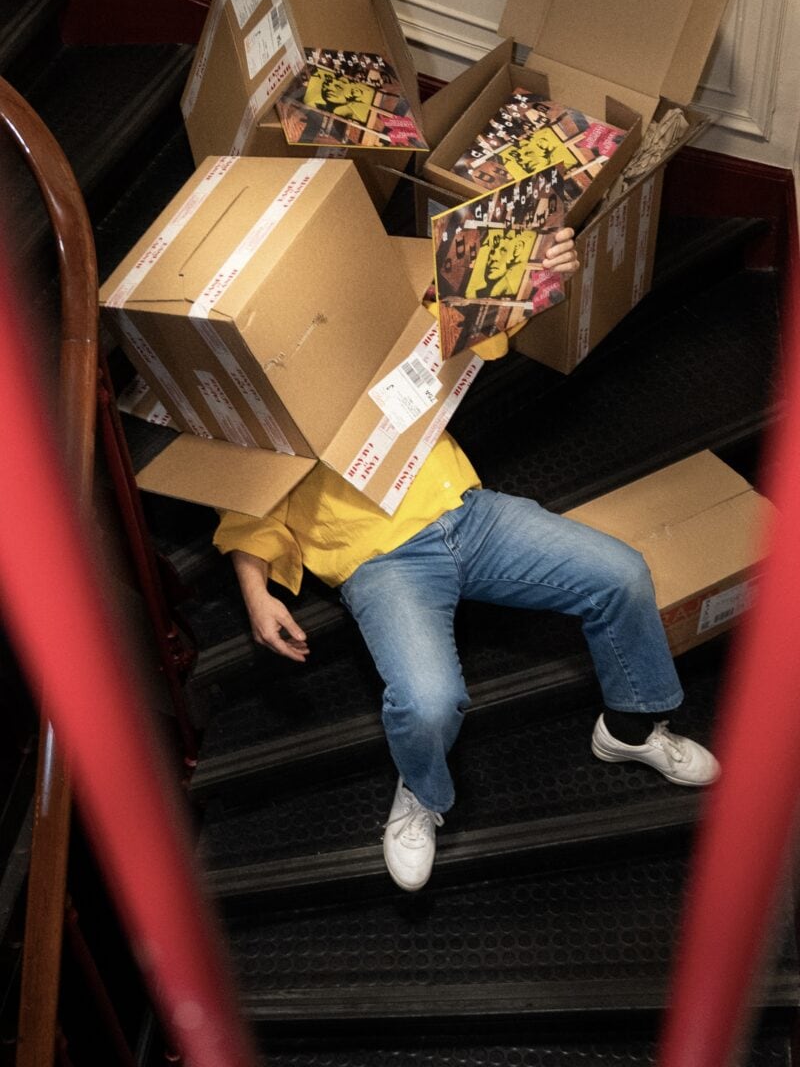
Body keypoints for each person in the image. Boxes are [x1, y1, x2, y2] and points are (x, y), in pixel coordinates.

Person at [215, 228, 719, 893]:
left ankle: (628, 728)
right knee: (427, 701)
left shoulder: (367, 331)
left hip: (470, 516)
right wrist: (255, 592)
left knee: (620, 574)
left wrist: (536, 267)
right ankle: (422, 794)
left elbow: (474, 317)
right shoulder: (249, 412)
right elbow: (245, 511)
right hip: (383, 564)